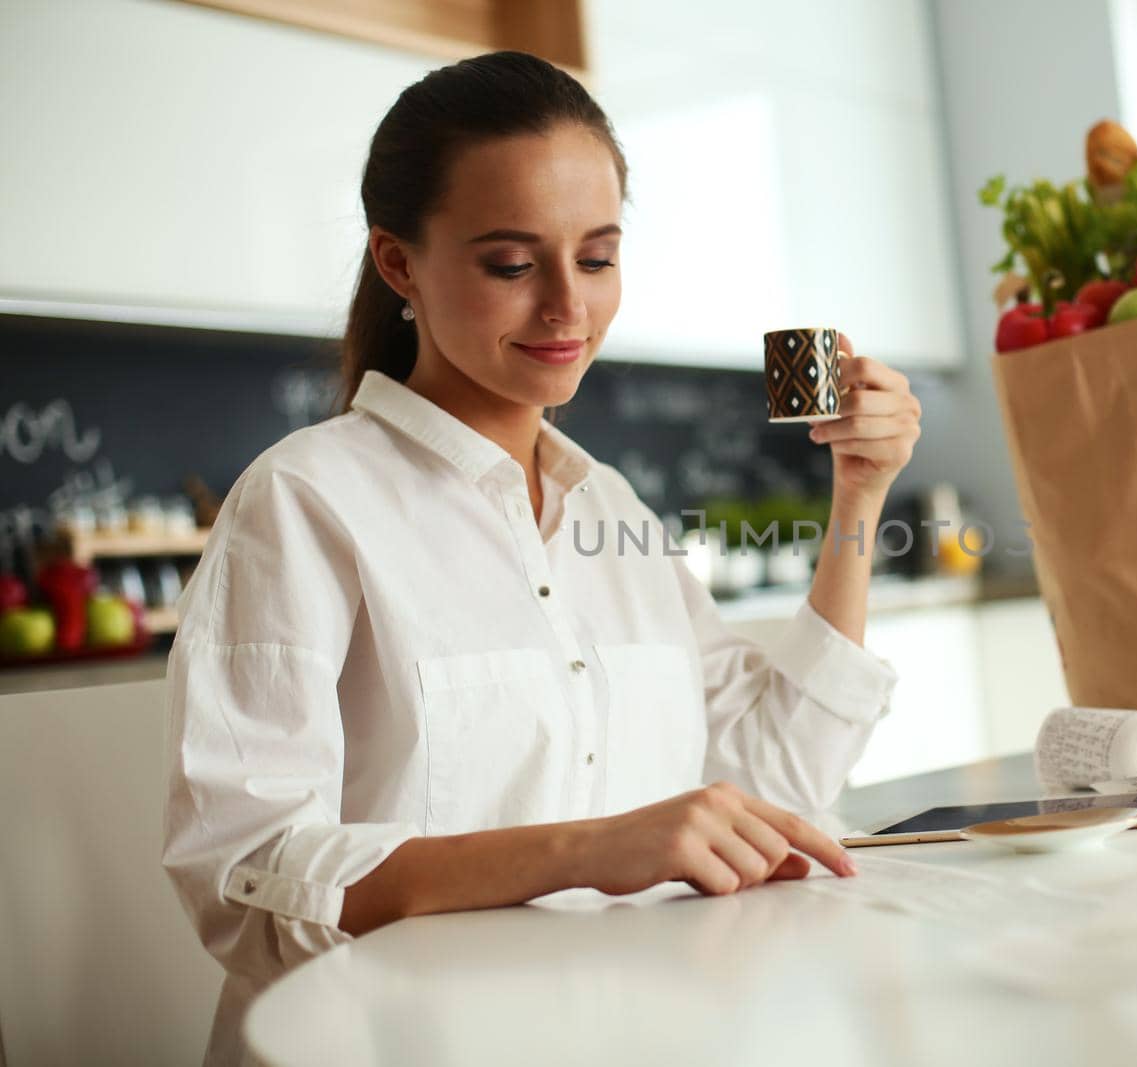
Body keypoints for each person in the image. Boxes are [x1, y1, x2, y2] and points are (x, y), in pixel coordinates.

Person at [161, 50, 922, 1066]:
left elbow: (770, 773)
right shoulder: (304, 502)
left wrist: (859, 499)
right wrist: (588, 848)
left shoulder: (606, 508)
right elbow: (248, 874)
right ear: (399, 264)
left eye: (597, 257)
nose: (568, 307)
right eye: (512, 265)